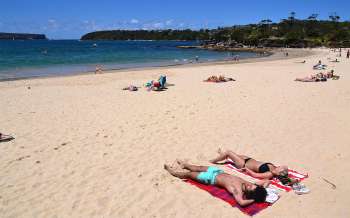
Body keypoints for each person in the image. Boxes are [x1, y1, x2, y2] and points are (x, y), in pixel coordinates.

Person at [164, 160, 268, 206]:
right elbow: (266, 181)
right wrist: (263, 190)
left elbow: (241, 202)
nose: (251, 185)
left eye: (252, 188)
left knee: (190, 174)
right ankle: (185, 164)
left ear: (251, 194)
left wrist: (254, 199)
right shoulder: (247, 183)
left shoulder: (238, 191)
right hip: (217, 172)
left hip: (210, 178)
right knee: (198, 167)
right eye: (254, 186)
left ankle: (174, 172)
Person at [210, 149, 299, 185]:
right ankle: (222, 155)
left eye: (281, 170)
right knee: (234, 155)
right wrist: (286, 176)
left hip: (244, 164)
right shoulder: (274, 168)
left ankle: (213, 161)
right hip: (248, 159)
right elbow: (285, 167)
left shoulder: (269, 174)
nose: (281, 167)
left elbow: (255, 175)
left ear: (278, 174)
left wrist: (246, 169)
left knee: (229, 152)